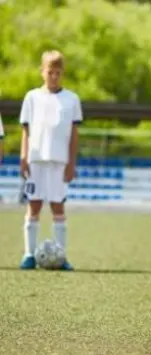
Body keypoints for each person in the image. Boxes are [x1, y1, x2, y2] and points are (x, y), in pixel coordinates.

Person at [18, 50, 82, 271]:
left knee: (58, 207)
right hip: (36, 160)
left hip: (59, 162)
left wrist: (71, 163)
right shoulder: (31, 97)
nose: (54, 76)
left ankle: (62, 256)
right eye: (50, 72)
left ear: (62, 73)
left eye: (58, 72)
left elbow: (74, 133)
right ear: (42, 72)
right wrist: (23, 156)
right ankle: (28, 254)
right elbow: (25, 129)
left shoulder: (71, 99)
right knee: (33, 206)